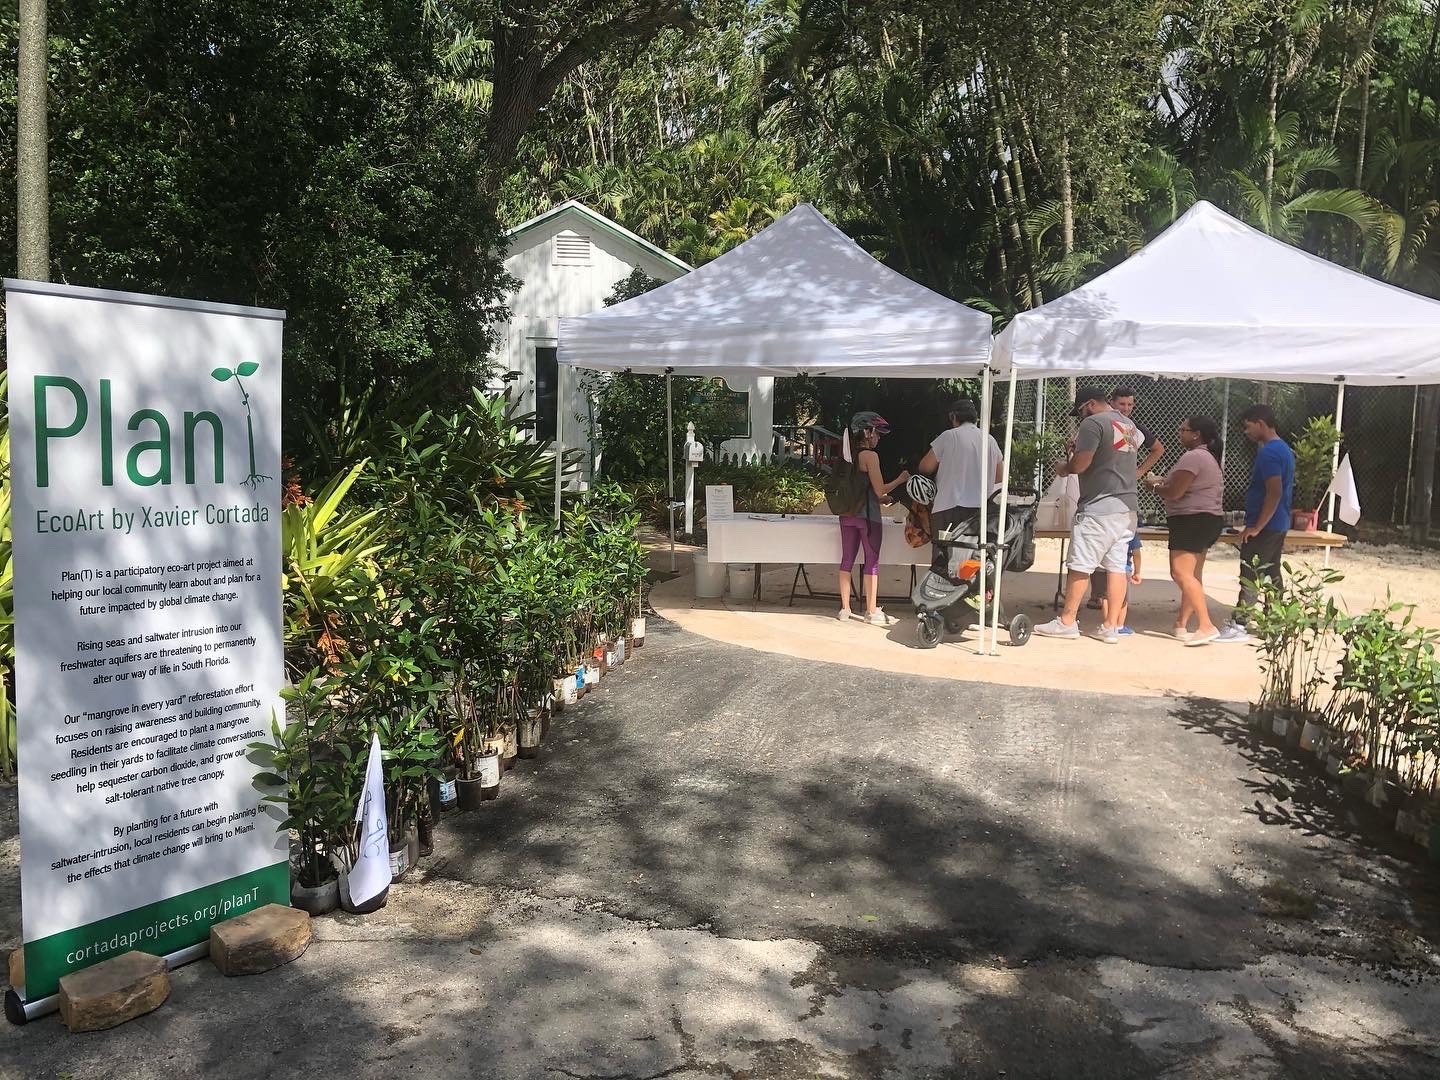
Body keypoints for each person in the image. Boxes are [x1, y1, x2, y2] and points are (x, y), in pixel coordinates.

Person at [1035, 388, 1140, 643]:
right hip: (1126, 507)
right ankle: (1111, 626)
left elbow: (1081, 465)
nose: (1080, 417)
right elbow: (1107, 460)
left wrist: (1064, 468)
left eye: (1081, 411)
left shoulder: (1093, 423)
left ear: (1091, 404)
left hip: (1099, 507)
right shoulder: (1127, 423)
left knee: (1080, 563)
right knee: (1116, 567)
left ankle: (1067, 621)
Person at [1144, 415, 1225, 646]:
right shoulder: (1208, 456)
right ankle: (1181, 623)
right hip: (1208, 519)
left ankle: (1206, 625)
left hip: (1191, 519)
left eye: (1183, 429)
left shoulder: (1194, 456)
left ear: (1196, 434)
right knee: (1193, 575)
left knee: (1180, 573)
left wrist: (1155, 486)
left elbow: (1175, 492)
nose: (1180, 433)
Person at [1216, 404, 1294, 643]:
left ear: (1260, 423)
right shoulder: (1284, 449)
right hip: (1278, 522)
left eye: (1248, 427)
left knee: (1250, 571)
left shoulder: (1269, 452)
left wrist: (1257, 526)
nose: (1246, 432)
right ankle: (1275, 623)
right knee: (1270, 572)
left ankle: (1240, 623)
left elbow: (1274, 491)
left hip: (1267, 525)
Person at [1087, 386, 1165, 611]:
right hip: (1100, 491)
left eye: (1130, 404)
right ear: (1111, 402)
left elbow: (1158, 448)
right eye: (1122, 404)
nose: (1127, 408)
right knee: (1098, 548)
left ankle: (1113, 606)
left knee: (1116, 553)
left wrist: (1140, 471)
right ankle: (1098, 595)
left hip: (1122, 494)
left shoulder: (1132, 428)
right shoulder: (1101, 423)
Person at [916, 399, 1003, 577]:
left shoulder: (948, 436)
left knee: (944, 552)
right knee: (973, 553)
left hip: (947, 510)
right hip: (980, 511)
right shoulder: (990, 440)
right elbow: (999, 476)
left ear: (953, 417)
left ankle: (941, 594)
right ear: (976, 418)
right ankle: (968, 593)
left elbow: (925, 467)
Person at [838, 412, 909, 626]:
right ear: (867, 432)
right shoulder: (870, 456)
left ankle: (845, 609)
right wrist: (900, 479)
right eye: (877, 433)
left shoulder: (845, 455)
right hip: (868, 518)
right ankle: (871, 610)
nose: (878, 438)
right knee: (872, 560)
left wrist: (880, 497)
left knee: (846, 559)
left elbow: (861, 488)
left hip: (846, 515)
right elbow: (879, 490)